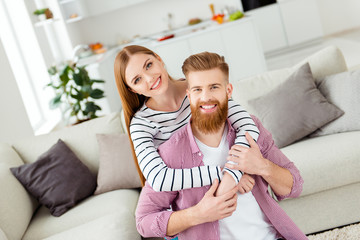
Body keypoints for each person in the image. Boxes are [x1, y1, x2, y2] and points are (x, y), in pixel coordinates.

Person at [135, 52, 307, 240]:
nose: (206, 97)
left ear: (228, 90)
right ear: (189, 95)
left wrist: (262, 166)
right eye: (198, 89)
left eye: (214, 87)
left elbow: (295, 186)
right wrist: (198, 214)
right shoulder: (172, 153)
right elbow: (144, 222)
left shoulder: (250, 130)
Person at [114, 45, 260, 192]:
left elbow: (248, 126)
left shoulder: (199, 87)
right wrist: (224, 174)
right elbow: (158, 179)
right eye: (137, 79)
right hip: (190, 197)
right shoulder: (141, 124)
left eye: (149, 65)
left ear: (159, 59)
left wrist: (233, 172)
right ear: (132, 90)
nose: (149, 78)